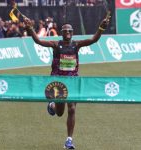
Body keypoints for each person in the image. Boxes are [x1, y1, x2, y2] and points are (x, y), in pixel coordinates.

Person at [23, 13, 110, 149]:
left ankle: (69, 140)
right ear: (62, 33)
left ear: (72, 33)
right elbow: (38, 41)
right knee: (59, 113)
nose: (68, 33)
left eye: (70, 31)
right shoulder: (56, 45)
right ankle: (52, 105)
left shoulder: (77, 45)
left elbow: (93, 40)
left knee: (72, 109)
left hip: (73, 81)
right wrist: (30, 28)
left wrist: (101, 28)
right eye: (65, 31)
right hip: (58, 82)